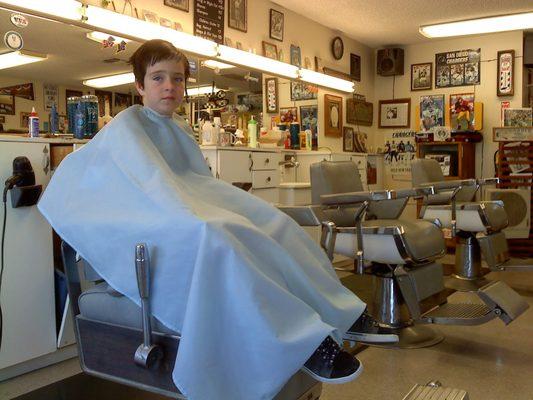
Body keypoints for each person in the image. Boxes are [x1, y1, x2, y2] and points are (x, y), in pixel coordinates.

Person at [38, 39, 395, 400]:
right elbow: (145, 186)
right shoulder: (126, 127)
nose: (169, 86)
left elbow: (194, 181)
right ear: (140, 86)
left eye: (177, 79)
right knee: (218, 233)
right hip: (161, 225)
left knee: (275, 223)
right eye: (158, 78)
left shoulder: (178, 128)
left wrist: (201, 205)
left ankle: (341, 312)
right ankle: (304, 344)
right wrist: (187, 212)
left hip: (187, 207)